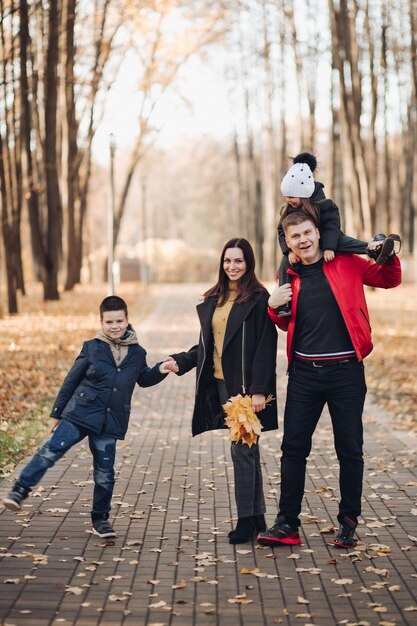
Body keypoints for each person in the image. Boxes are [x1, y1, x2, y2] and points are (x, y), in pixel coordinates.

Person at [257, 211, 401, 549]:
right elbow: (284, 321)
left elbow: (389, 279)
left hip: (346, 373)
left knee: (350, 450)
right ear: (288, 242)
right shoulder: (289, 274)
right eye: (295, 236)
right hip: (304, 375)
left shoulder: (348, 261)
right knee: (293, 450)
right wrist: (272, 307)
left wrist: (388, 254)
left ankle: (348, 523)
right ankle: (286, 524)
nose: (303, 240)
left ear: (319, 232)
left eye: (307, 232)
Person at [3, 295, 178, 539]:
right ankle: (19, 490)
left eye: (119, 321)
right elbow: (71, 380)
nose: (114, 326)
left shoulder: (138, 353)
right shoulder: (92, 347)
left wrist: (161, 369)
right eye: (109, 322)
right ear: (101, 322)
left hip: (109, 422)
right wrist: (56, 414)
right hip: (79, 414)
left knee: (105, 472)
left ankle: (101, 519)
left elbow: (144, 378)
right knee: (49, 452)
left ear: (127, 320)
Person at [171, 238, 278, 544]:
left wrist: (259, 390)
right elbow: (207, 345)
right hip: (219, 385)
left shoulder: (258, 298)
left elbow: (265, 347)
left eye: (239, 261)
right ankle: (256, 518)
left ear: (249, 264)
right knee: (247, 452)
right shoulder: (214, 298)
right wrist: (179, 361)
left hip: (244, 389)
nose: (232, 266)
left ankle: (247, 522)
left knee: (242, 452)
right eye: (228, 261)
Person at [273, 152, 401, 316]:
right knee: (285, 263)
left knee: (346, 243)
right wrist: (289, 251)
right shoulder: (287, 211)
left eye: (291, 196)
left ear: (303, 193)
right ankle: (285, 306)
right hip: (302, 253)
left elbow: (332, 227)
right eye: (286, 197)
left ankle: (375, 248)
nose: (288, 200)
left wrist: (329, 247)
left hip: (330, 238)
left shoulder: (324, 205)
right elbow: (281, 231)